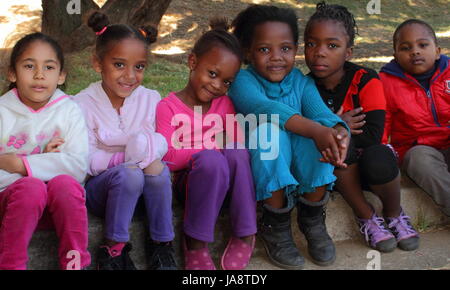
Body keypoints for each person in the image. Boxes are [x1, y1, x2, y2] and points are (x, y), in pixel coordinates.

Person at [228, 4, 350, 269]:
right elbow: (267, 109)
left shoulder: (300, 82)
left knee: (318, 137)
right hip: (261, 161)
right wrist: (318, 130)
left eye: (285, 48)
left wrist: (339, 133)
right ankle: (275, 225)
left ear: (295, 49)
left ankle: (313, 218)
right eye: (264, 49)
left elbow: (322, 115)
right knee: (270, 133)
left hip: (297, 158)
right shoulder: (242, 81)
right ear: (248, 52)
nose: (276, 57)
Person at [304, 2, 419, 253]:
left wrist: (330, 126)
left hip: (372, 167)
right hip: (336, 170)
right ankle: (366, 215)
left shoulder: (365, 78)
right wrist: (340, 125)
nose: (319, 52)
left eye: (332, 45)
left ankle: (393, 213)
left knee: (376, 153)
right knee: (338, 141)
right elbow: (311, 135)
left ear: (348, 52)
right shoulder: (304, 86)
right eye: (312, 44)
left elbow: (373, 135)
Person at [74, 12, 176, 270]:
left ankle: (161, 246)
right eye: (119, 64)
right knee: (130, 173)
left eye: (139, 66)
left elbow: (161, 143)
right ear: (98, 63)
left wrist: (147, 155)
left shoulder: (151, 99)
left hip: (146, 194)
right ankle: (113, 249)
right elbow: (83, 160)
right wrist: (127, 158)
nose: (130, 75)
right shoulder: (81, 104)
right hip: (103, 193)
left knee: (159, 170)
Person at [156, 18, 257, 270]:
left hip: (226, 181)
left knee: (235, 152)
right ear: (192, 62)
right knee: (212, 159)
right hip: (190, 185)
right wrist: (209, 147)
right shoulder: (167, 107)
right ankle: (195, 243)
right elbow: (168, 155)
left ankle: (245, 232)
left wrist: (205, 147)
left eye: (226, 82)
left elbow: (235, 143)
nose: (217, 85)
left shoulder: (224, 105)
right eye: (212, 74)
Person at [0, 32, 90, 270]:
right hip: (9, 207)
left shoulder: (69, 111)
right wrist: (47, 164)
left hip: (57, 210)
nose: (39, 75)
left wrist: (21, 164)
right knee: (31, 188)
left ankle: (75, 264)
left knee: (67, 184)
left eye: (49, 67)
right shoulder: (2, 111)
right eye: (29, 66)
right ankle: (11, 265)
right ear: (12, 73)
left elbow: (78, 167)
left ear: (61, 76)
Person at [380, 19, 450, 217]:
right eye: (405, 47)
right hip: (420, 151)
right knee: (418, 159)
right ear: (395, 56)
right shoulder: (386, 82)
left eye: (423, 45)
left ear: (437, 51)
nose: (415, 51)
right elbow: (382, 124)